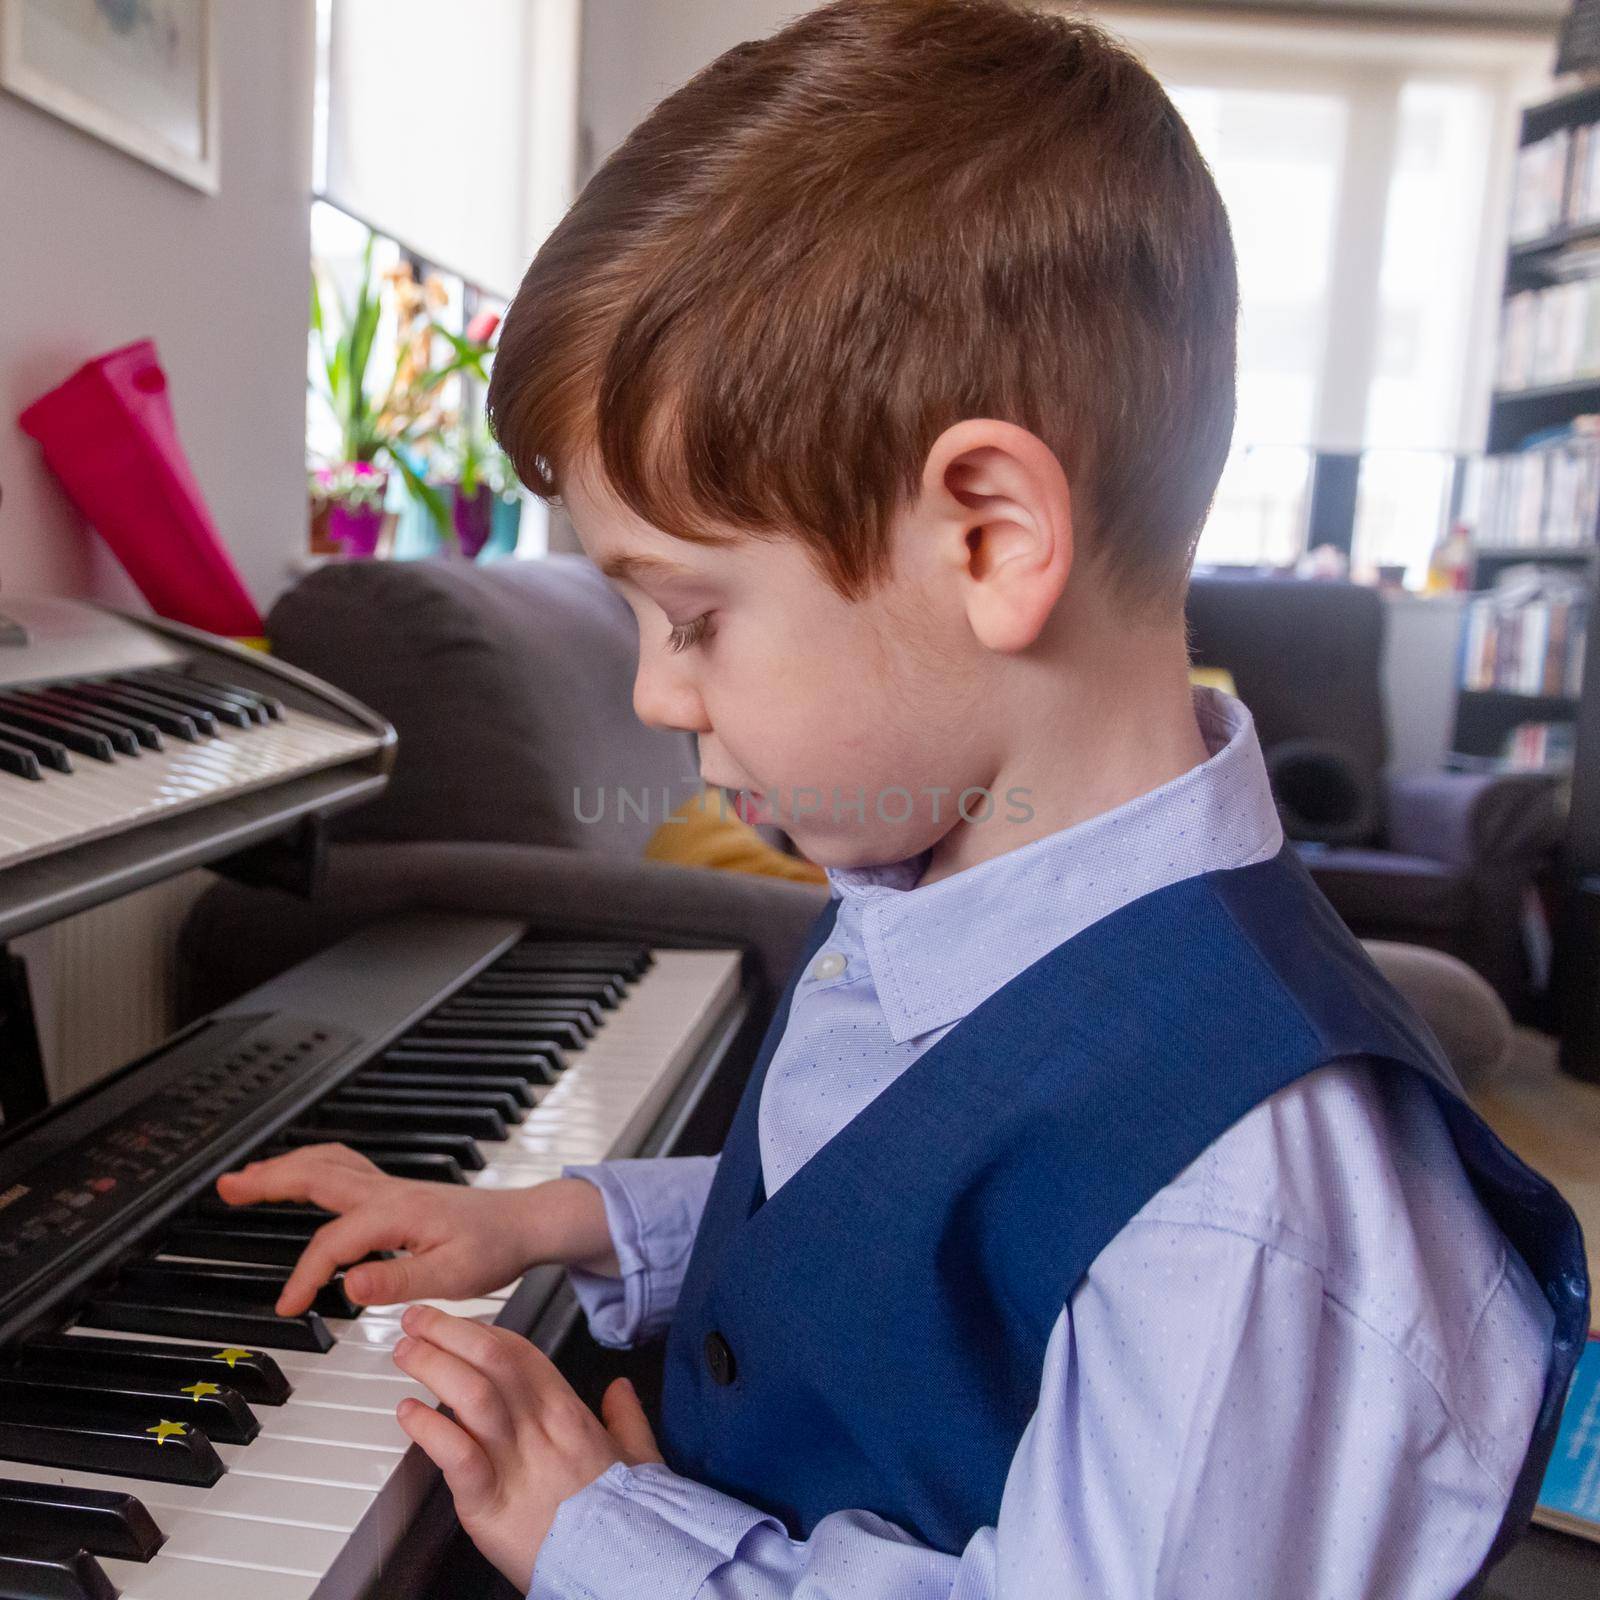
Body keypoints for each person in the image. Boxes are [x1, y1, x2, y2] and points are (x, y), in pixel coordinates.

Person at [216, 2, 1588, 1596]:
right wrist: (556, 1225)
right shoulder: (956, 892)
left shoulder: (1240, 1207)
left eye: (696, 615)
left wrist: (617, 1541)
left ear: (991, 541)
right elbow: (878, 1223)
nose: (658, 693)